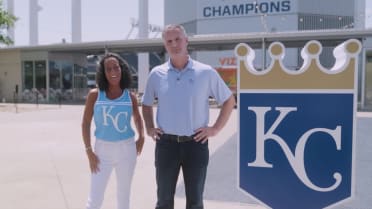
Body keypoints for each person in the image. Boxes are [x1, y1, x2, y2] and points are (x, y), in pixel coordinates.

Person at [141, 24, 236, 209]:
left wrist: (215, 128)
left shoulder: (205, 72)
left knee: (195, 201)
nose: (174, 44)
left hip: (195, 145)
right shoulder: (156, 74)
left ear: (186, 41)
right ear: (165, 45)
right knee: (163, 200)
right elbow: (146, 103)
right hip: (166, 145)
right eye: (169, 41)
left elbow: (229, 100)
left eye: (177, 39)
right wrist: (149, 127)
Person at [81, 52, 144, 209]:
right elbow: (86, 123)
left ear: (122, 69)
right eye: (108, 69)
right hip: (102, 151)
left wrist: (141, 136)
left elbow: (137, 117)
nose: (113, 72)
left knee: (124, 199)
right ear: (103, 73)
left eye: (116, 67)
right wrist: (89, 151)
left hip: (127, 150)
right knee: (94, 200)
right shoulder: (95, 95)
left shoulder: (130, 97)